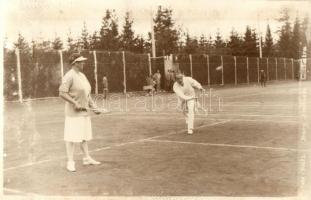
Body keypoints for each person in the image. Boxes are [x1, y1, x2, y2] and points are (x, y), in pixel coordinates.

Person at [59, 53, 101, 172]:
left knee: (84, 137)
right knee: (71, 138)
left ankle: (86, 158)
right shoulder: (69, 76)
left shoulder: (82, 75)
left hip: (84, 113)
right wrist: (74, 103)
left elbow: (87, 94)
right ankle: (70, 162)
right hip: (73, 114)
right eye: (81, 61)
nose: (84, 63)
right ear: (75, 63)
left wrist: (94, 107)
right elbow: (62, 93)